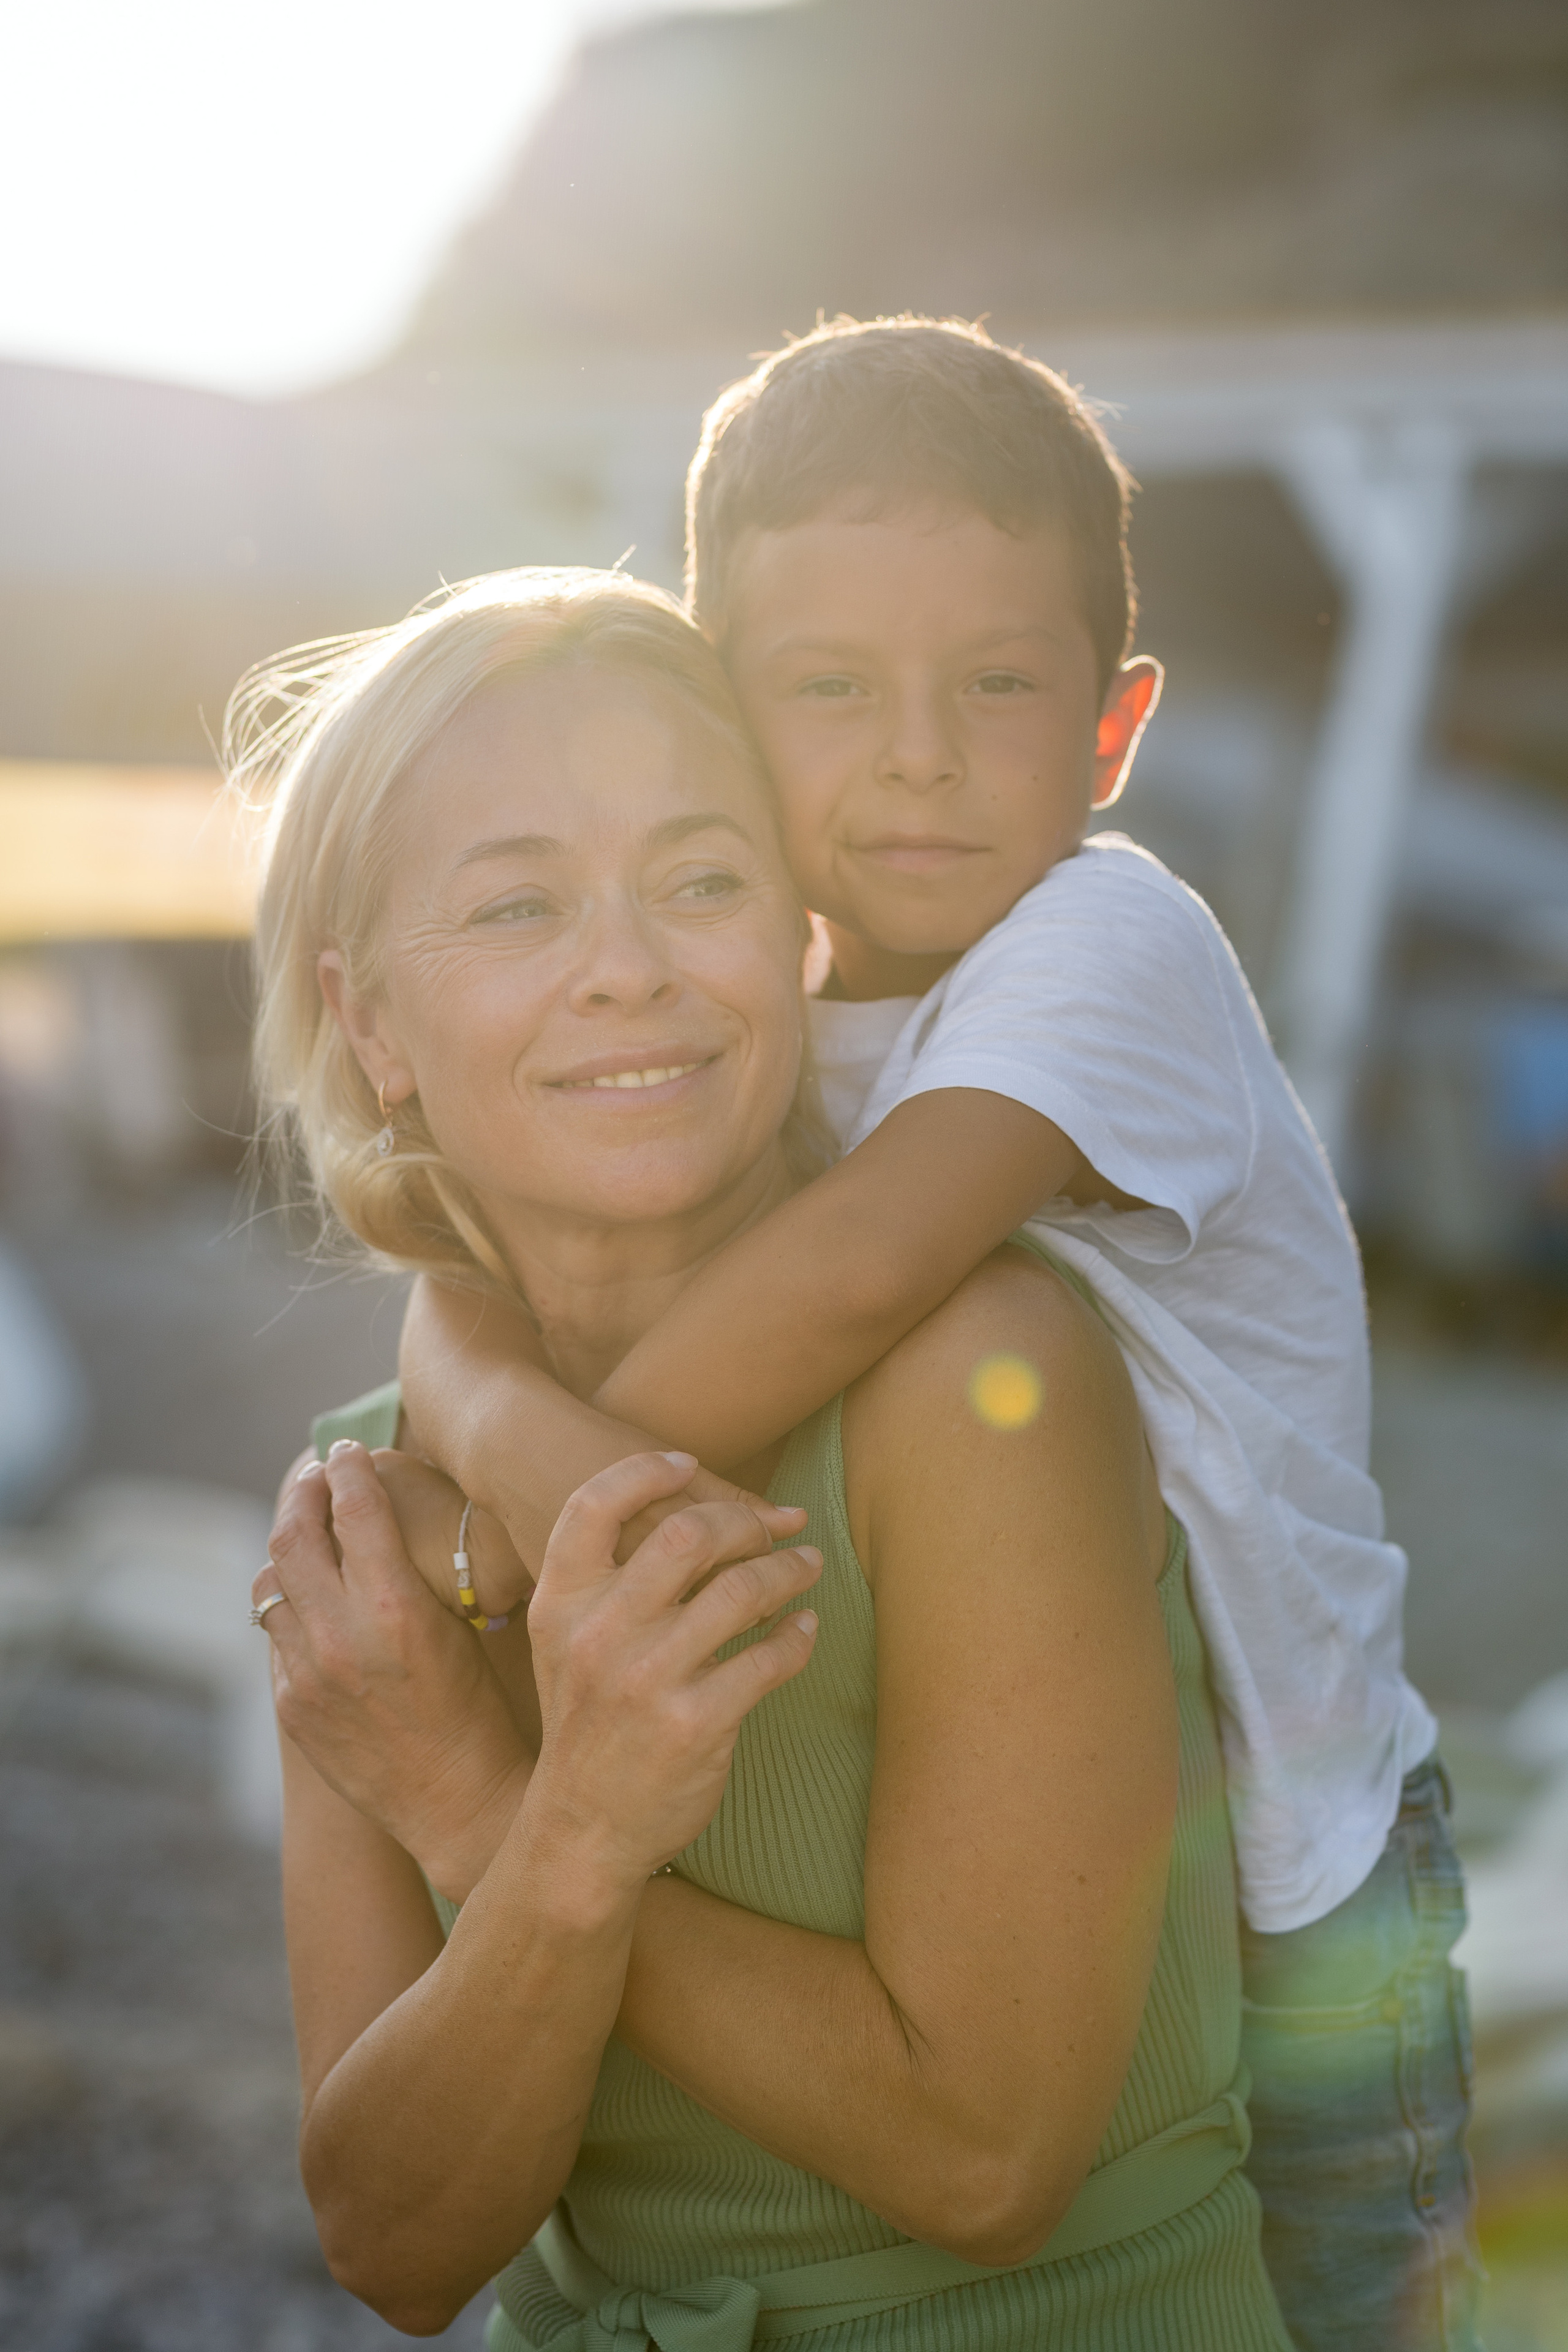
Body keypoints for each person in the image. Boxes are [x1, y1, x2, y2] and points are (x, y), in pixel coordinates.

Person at [388, 321, 1480, 2351]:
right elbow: (459, 1295)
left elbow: (860, 1274)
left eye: (998, 686)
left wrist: (521, 1498)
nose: (918, 754)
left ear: (1115, 727)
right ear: (724, 709)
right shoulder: (763, 987)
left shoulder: (1106, 941)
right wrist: (457, 1384)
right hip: (1109, 1833)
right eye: (828, 688)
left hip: (1305, 1865)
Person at [239, 567, 1291, 2348]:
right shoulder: (371, 1516)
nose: (631, 969)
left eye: (704, 881)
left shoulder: (975, 1382)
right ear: (371, 1028)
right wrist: (548, 1837)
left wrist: (500, 1817)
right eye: (516, 910)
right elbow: (401, 2251)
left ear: (800, 938)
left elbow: (985, 2159)